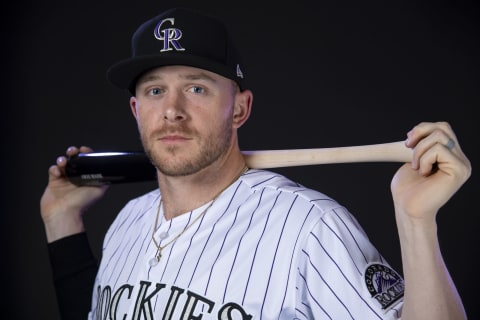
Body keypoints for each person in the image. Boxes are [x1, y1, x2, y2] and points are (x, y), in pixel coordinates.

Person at [40, 7, 471, 320]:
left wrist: (416, 221)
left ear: (240, 109)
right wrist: (62, 220)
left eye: (197, 88)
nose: (172, 110)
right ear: (137, 109)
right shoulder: (128, 221)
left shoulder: (309, 227)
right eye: (155, 91)